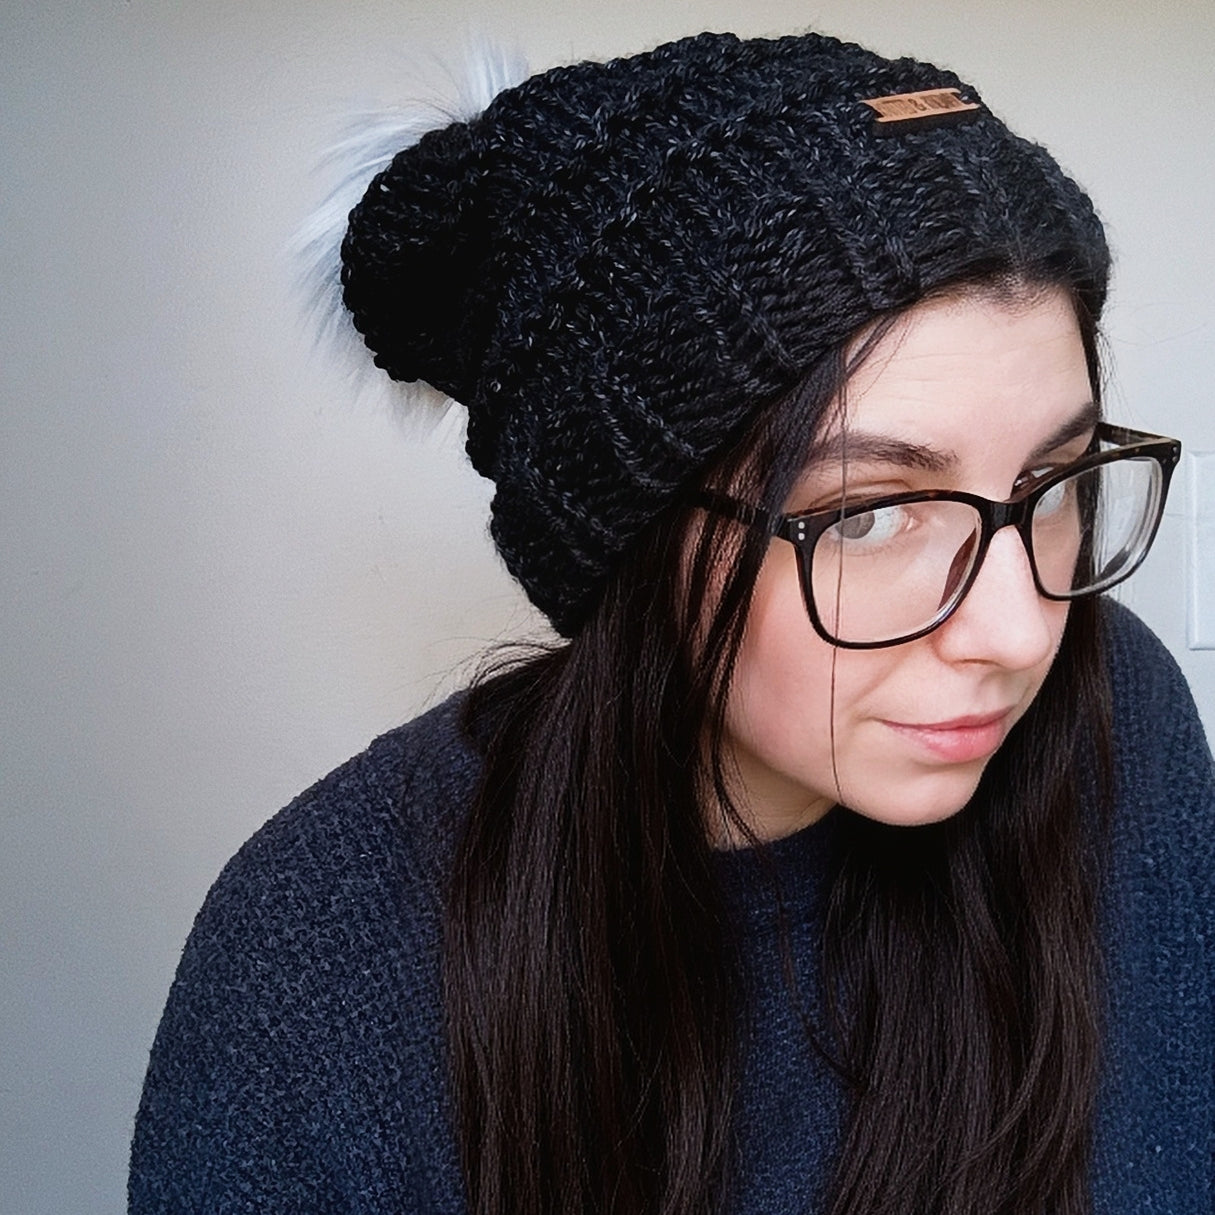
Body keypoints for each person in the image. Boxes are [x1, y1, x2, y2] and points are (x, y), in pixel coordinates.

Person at [128, 28, 1213, 1215]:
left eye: (1049, 488)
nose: (1016, 633)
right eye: (867, 518)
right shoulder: (319, 959)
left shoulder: (1117, 727)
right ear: (635, 541)